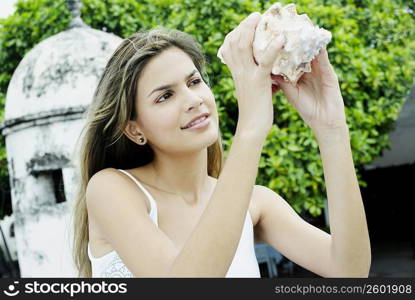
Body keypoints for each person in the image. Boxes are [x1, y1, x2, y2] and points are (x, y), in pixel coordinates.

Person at [71, 12, 371, 278]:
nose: (193, 100)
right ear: (134, 129)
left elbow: (349, 271)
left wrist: (331, 129)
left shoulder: (255, 203)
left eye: (194, 82)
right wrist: (251, 127)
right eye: (165, 96)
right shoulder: (112, 189)